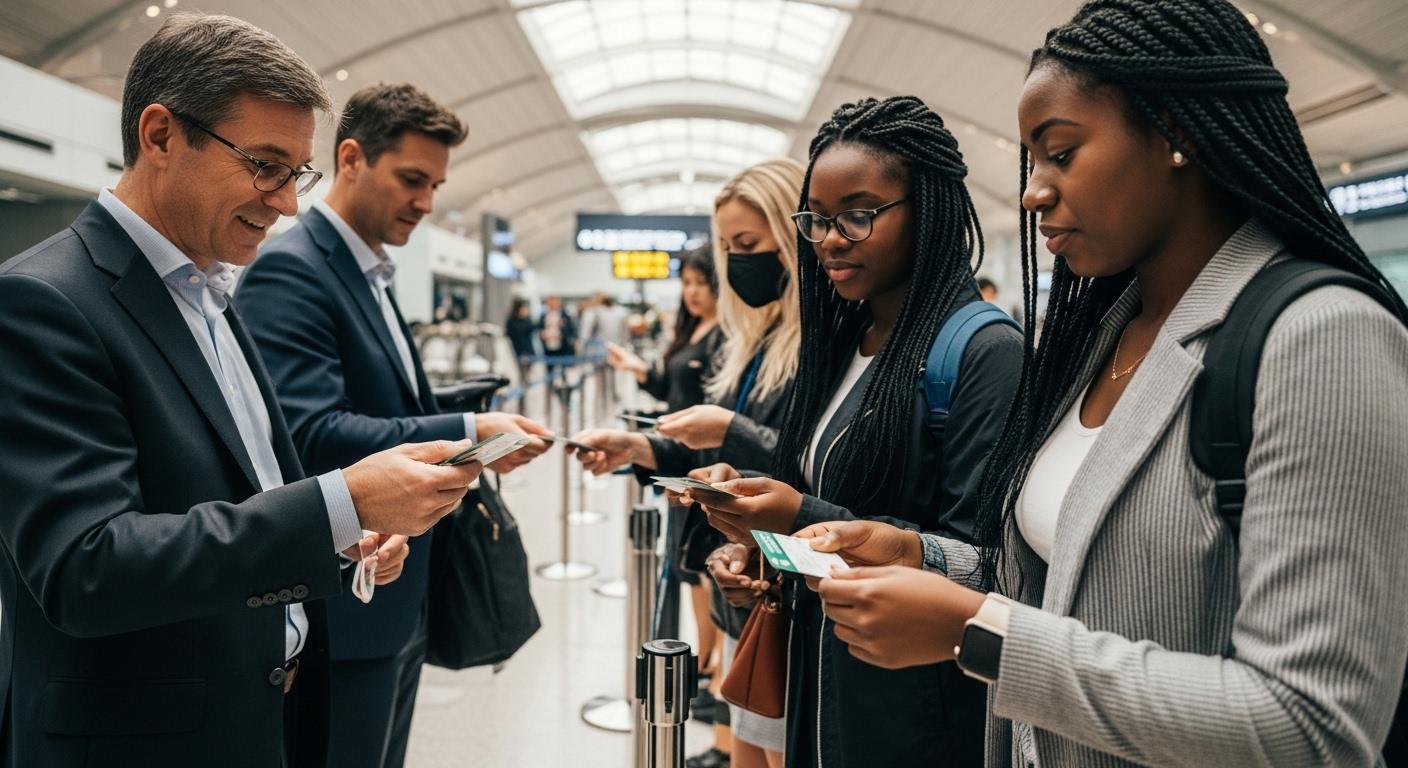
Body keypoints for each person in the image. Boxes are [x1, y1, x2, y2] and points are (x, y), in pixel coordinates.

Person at [799, 2, 1408, 766]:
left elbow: (1310, 725)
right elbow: (1068, 577)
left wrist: (977, 635)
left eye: (1060, 153)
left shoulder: (1319, 337)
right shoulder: (1103, 333)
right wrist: (920, 556)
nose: (1033, 192)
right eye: (1030, 162)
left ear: (1176, 135)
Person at [0, 15, 481, 767]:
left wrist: (344, 536)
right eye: (264, 164)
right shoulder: (45, 302)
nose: (287, 203)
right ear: (160, 135)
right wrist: (339, 502)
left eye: (298, 173)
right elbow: (84, 566)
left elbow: (243, 488)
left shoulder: (208, 292)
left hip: (256, 715)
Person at [687, 96, 1023, 768]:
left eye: (859, 215)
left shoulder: (985, 351)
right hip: (824, 677)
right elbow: (819, 508)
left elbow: (986, 568)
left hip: (911, 716)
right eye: (816, 220)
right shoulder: (848, 339)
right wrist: (762, 549)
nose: (831, 239)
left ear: (927, 209)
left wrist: (799, 517)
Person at [236, 82, 552, 768]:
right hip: (346, 601)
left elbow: (382, 405)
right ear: (351, 159)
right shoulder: (293, 272)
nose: (427, 203)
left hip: (396, 590)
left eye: (436, 184)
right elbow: (311, 432)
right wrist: (469, 429)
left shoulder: (368, 272)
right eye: (412, 179)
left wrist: (470, 422)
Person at [573, 158, 806, 768]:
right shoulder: (752, 339)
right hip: (746, 570)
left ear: (792, 236)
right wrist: (639, 449)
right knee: (748, 736)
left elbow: (809, 460)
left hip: (789, 577)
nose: (735, 263)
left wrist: (733, 429)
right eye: (727, 247)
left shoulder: (819, 342)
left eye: (748, 245)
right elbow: (718, 448)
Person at [506, 297, 538, 385]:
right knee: (520, 375)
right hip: (518, 352)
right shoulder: (513, 322)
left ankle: (524, 394)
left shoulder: (527, 321)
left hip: (528, 352)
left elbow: (533, 329)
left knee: (526, 376)